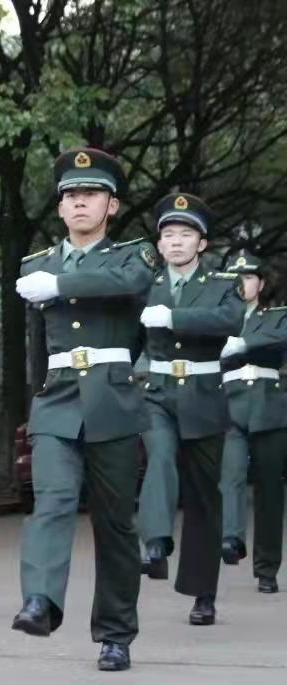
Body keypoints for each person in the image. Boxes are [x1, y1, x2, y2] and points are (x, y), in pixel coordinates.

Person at [11, 147, 157, 672]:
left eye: (91, 194)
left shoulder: (133, 256)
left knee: (114, 524)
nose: (79, 202)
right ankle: (40, 601)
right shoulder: (36, 265)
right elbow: (38, 345)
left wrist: (62, 285)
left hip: (111, 400)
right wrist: (36, 397)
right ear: (59, 206)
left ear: (111, 206)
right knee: (50, 501)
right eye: (70, 195)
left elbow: (129, 286)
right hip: (57, 400)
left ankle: (115, 634)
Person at [134, 194, 244, 625]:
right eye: (168, 234)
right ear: (159, 244)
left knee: (203, 498)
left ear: (202, 243)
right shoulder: (146, 286)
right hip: (157, 392)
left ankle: (203, 594)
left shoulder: (221, 285)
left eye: (185, 234)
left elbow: (230, 322)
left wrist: (174, 319)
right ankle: (156, 542)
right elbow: (128, 339)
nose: (175, 241)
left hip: (203, 395)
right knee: (159, 455)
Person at [218, 251, 287, 594]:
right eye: (235, 278)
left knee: (270, 491)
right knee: (229, 476)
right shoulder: (217, 320)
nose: (241, 284)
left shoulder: (276, 316)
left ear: (260, 284)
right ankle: (231, 539)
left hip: (268, 408)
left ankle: (267, 568)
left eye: (247, 278)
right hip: (228, 405)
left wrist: (243, 344)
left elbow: (281, 337)